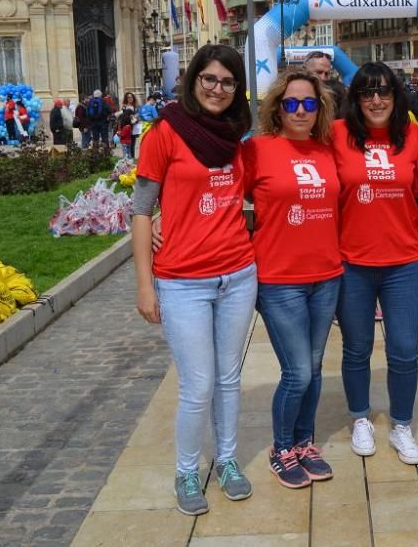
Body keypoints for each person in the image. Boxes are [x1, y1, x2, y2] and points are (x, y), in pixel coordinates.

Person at [133, 44, 257, 516]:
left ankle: (225, 460)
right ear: (193, 81)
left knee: (229, 377)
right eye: (209, 79)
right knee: (198, 382)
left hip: (238, 276)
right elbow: (142, 210)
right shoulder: (164, 134)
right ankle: (187, 470)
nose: (217, 89)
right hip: (183, 281)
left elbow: (249, 196)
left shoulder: (237, 137)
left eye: (227, 81)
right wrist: (145, 285)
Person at [243, 69, 341, 489]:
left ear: (320, 109)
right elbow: (218, 191)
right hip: (279, 278)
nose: (300, 110)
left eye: (309, 103)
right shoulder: (256, 150)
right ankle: (282, 447)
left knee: (315, 368)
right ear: (278, 108)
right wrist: (160, 220)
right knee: (297, 371)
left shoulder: (327, 150)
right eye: (292, 103)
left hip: (327, 274)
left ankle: (304, 442)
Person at [332, 62, 418, 466]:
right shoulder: (336, 135)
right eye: (367, 92)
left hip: (404, 261)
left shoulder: (412, 137)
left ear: (396, 97)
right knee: (357, 349)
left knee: (404, 350)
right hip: (352, 262)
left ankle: (402, 424)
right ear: (355, 99)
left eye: (384, 92)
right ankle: (360, 418)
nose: (375, 100)